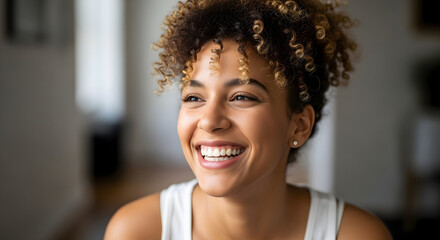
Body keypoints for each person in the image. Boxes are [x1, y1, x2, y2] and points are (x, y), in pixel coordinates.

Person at [105, 0, 392, 239]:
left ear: (299, 125)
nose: (209, 120)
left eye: (242, 97)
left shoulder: (356, 235)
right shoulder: (136, 231)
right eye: (194, 98)